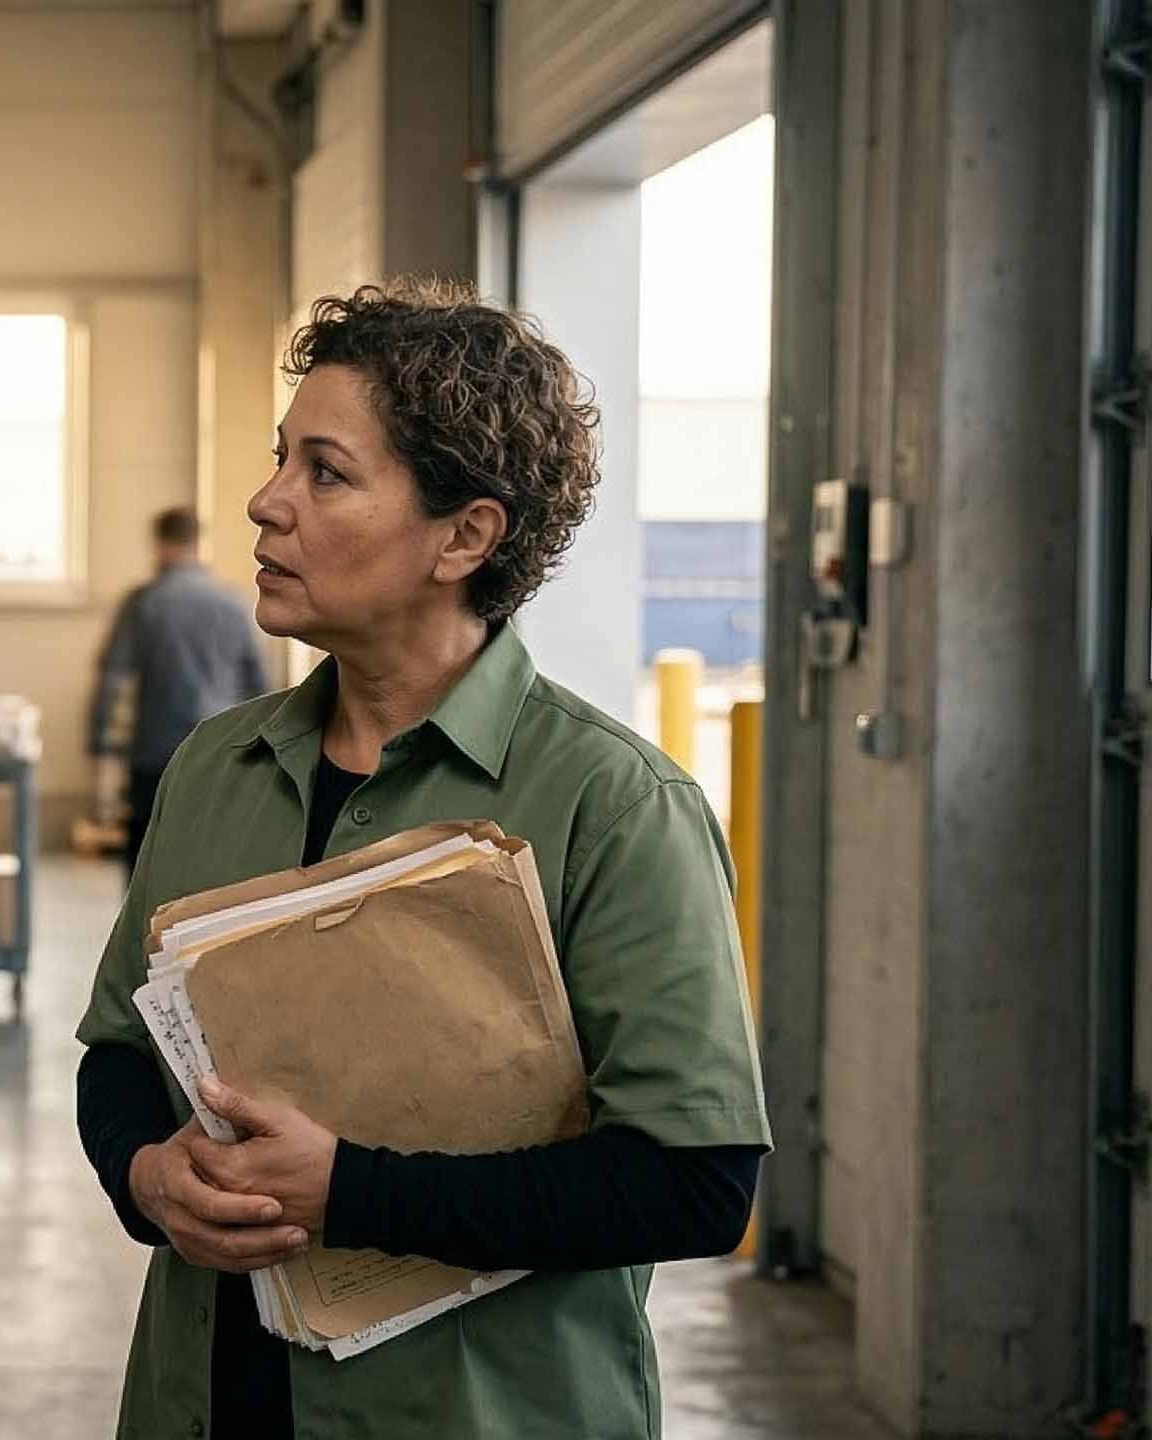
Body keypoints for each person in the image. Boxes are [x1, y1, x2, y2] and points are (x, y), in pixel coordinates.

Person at [74, 282, 770, 1439]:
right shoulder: (213, 772)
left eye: (325, 473)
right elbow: (115, 1056)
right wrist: (147, 1179)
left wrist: (351, 1192)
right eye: (279, 459)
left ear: (464, 535)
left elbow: (691, 1182)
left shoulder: (613, 806)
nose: (264, 503)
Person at [89, 506, 274, 876]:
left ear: (159, 543)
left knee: (147, 859)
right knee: (212, 859)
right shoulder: (233, 603)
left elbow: (112, 677)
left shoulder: (144, 603)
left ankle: (146, 933)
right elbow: (260, 684)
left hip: (156, 751)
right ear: (197, 542)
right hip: (223, 749)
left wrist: (99, 742)